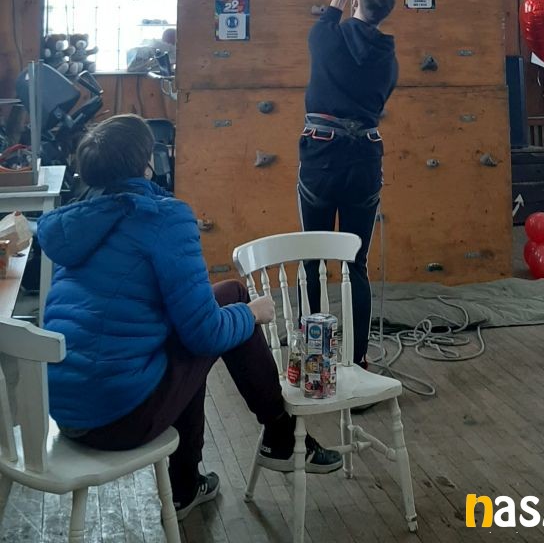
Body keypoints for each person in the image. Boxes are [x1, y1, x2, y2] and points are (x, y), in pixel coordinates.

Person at [37, 115, 342, 523]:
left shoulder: (76, 223)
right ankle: (281, 438)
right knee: (228, 307)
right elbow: (205, 335)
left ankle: (189, 483)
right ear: (148, 165)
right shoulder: (164, 218)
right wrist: (252, 314)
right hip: (119, 417)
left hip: (65, 409)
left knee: (212, 308)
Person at [299, 0, 398, 367]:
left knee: (313, 261)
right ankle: (357, 359)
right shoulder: (388, 60)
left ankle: (316, 359)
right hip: (364, 161)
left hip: (322, 159)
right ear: (384, 12)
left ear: (357, 1)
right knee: (355, 263)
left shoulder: (326, 39)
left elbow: (327, 19)